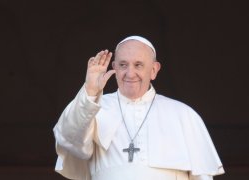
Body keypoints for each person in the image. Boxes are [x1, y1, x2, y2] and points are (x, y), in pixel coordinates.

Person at [53, 36, 224, 180]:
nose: (130, 73)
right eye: (123, 65)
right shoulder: (94, 107)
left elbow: (202, 176)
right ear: (114, 68)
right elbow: (69, 141)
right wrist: (90, 90)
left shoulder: (183, 115)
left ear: (154, 70)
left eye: (138, 65)